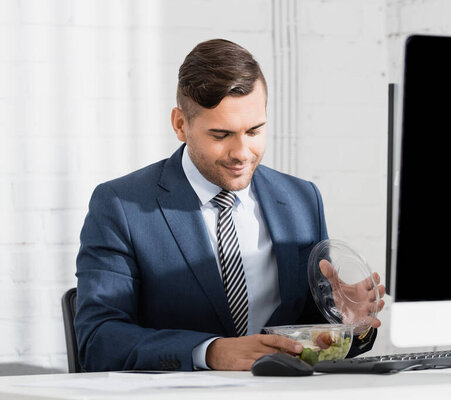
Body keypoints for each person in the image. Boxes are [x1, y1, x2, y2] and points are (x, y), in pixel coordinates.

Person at [74, 38, 385, 372]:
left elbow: (310, 334)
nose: (241, 153)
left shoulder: (301, 200)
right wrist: (211, 353)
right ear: (180, 124)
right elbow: (98, 340)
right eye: (221, 135)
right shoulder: (122, 206)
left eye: (254, 131)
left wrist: (345, 321)